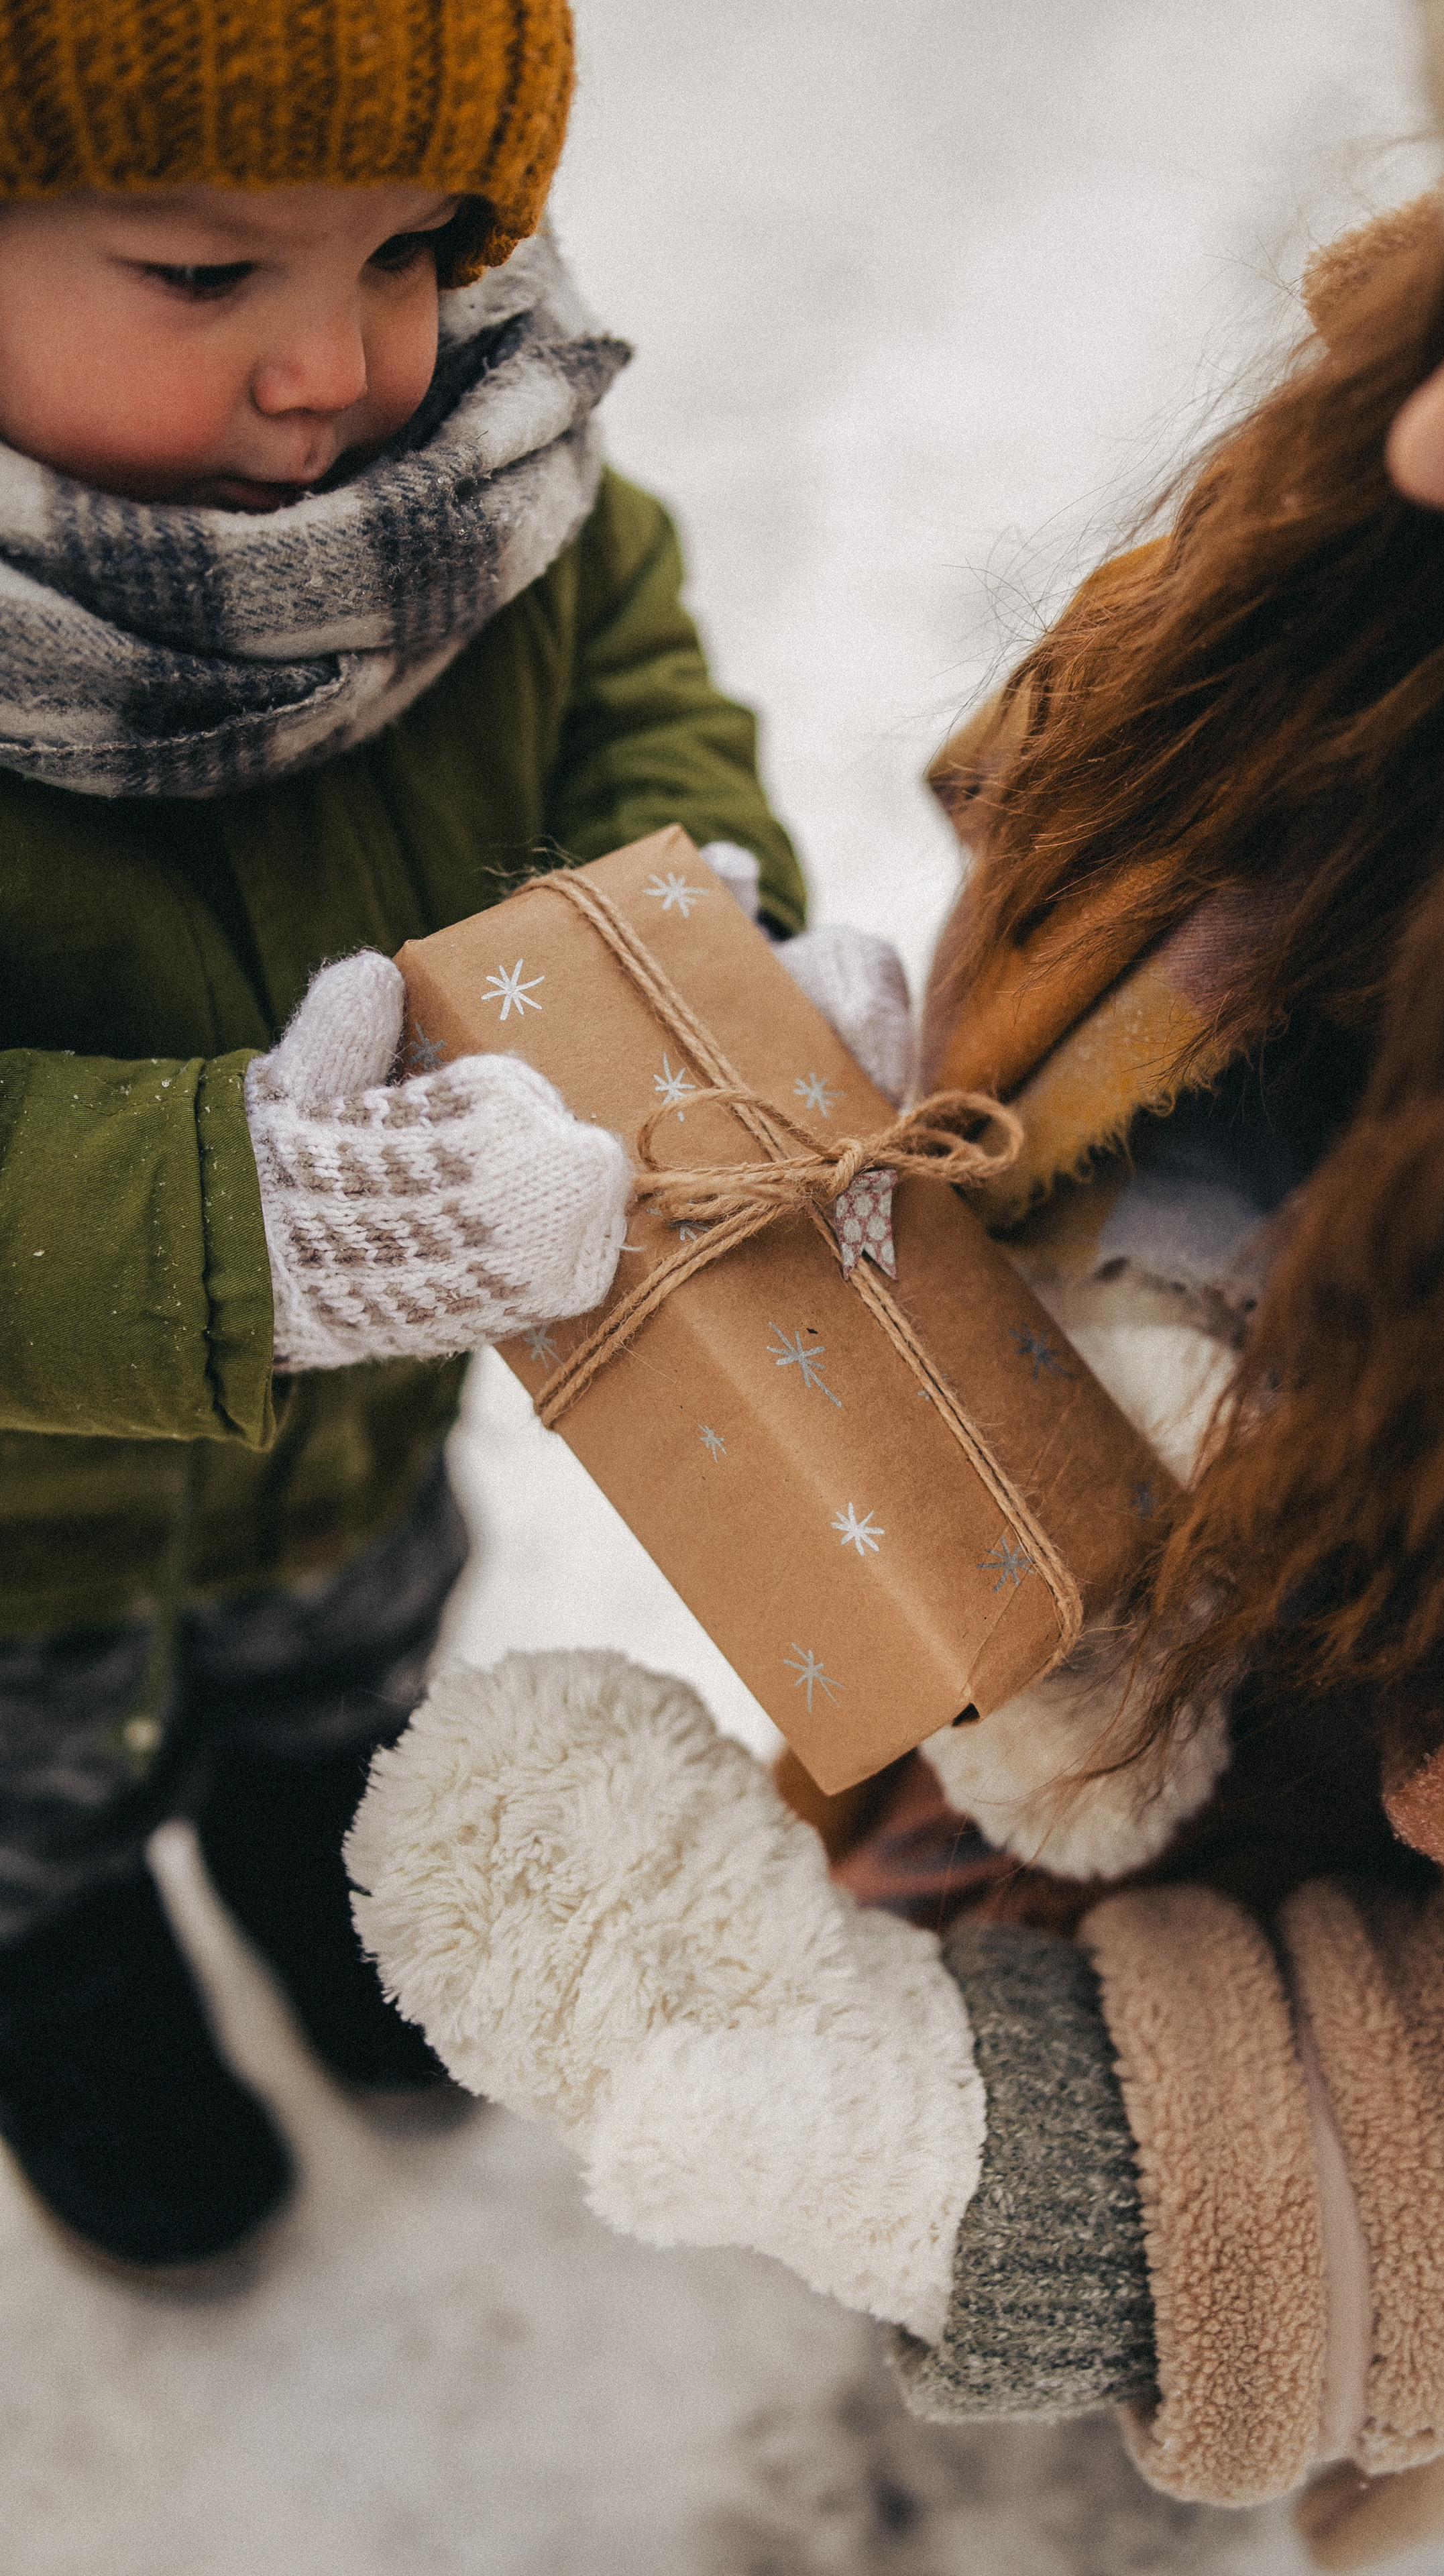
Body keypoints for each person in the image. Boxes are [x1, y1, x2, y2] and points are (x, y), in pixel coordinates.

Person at [353, 0, 1444, 2563]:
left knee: (1255, 2398)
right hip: (1020, 1669)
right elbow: (1083, 761)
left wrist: (984, 2156)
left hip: (1380, 2070)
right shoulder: (1410, 536)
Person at [0, 0, 915, 2285]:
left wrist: (704, 961)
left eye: (411, 249)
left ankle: (339, 1933)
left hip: (356, 1450)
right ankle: (88, 2042)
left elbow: (636, 716)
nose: (337, 367)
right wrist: (235, 1226)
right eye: (203, 274)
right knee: (30, 1854)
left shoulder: (504, 500)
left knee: (343, 1710)